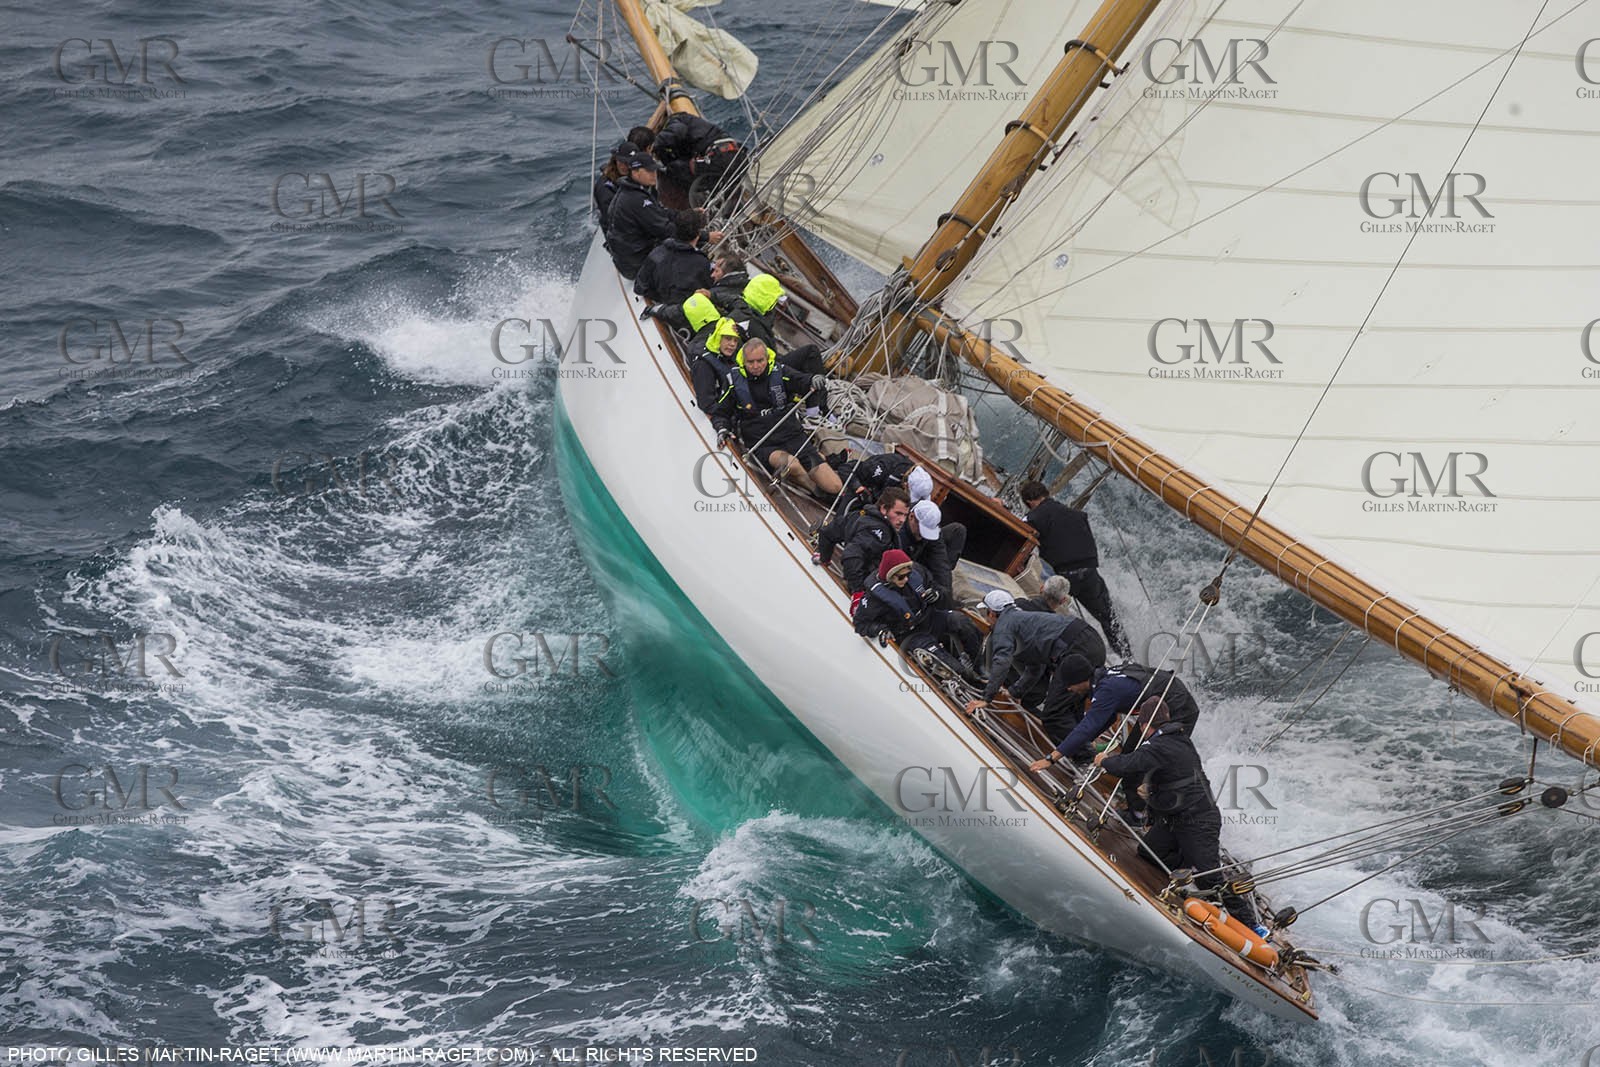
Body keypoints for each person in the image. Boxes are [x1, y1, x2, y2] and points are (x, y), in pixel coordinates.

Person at [1083, 698, 1261, 929]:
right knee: (1148, 852)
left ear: (1145, 725)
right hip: (1175, 819)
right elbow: (1170, 775)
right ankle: (1188, 868)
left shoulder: (1158, 746)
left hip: (1198, 821)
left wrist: (1104, 760)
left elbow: (1127, 765)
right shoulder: (1179, 739)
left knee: (1211, 878)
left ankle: (1252, 925)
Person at [710, 338, 842, 499]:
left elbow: (801, 380)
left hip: (793, 436)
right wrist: (722, 428)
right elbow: (721, 412)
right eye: (751, 362)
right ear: (744, 361)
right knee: (791, 464)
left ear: (767, 358)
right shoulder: (733, 381)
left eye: (760, 361)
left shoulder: (780, 372)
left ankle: (821, 475)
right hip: (764, 443)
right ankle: (816, 491)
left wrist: (812, 380)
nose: (756, 366)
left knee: (835, 486)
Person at [965, 592, 1105, 741]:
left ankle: (1082, 752)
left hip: (1077, 648)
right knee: (1072, 706)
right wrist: (1016, 692)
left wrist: (986, 698)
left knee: (1053, 714)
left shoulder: (1004, 625)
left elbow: (1002, 662)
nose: (987, 620)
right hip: (1091, 641)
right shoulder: (1024, 620)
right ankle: (1088, 742)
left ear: (992, 613)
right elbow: (1035, 667)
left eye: (985, 613)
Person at [1020, 480, 1131, 658]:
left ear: (1030, 502)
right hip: (1089, 575)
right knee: (1108, 618)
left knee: (1045, 611)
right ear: (1046, 494)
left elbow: (1019, 532)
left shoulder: (1033, 517)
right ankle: (1127, 657)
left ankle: (1053, 653)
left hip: (1064, 579)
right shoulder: (1076, 514)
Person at [1030, 660, 1200, 766]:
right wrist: (1083, 742)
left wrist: (1051, 759)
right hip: (1161, 701)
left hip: (1178, 706)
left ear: (1081, 681)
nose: (1068, 689)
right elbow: (1109, 717)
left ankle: (1140, 809)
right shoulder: (1105, 676)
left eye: (1069, 685)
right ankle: (1132, 795)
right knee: (1129, 754)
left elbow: (1086, 727)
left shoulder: (1106, 691)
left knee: (1145, 758)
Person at [854, 550, 983, 683]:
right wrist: (880, 629)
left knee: (960, 621)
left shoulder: (918, 572)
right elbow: (860, 623)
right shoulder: (873, 599)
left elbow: (937, 588)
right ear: (889, 576)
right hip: (909, 634)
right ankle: (970, 679)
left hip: (929, 618)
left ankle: (979, 666)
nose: (906, 579)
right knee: (948, 663)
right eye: (901, 577)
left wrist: (937, 594)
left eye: (908, 575)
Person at [605, 153, 675, 279]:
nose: (654, 174)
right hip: (637, 265)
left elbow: (658, 212)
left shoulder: (632, 190)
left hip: (630, 257)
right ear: (635, 172)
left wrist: (685, 215)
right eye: (649, 171)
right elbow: (665, 230)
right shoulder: (637, 199)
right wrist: (703, 236)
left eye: (654, 170)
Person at [837, 487, 912, 598]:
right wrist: (858, 592)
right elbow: (852, 555)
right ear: (884, 509)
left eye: (905, 515)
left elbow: (829, 531)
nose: (902, 520)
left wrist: (824, 557)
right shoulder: (879, 532)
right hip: (862, 589)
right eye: (898, 513)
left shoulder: (858, 516)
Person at [634, 209, 714, 303]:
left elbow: (639, 287)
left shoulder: (656, 253)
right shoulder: (702, 263)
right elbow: (709, 292)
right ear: (698, 234)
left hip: (665, 305)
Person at [692, 317, 744, 414]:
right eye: (728, 339)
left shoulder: (727, 358)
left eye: (735, 340)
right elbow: (707, 405)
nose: (732, 344)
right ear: (718, 338)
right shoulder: (703, 365)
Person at [907, 499, 954, 602]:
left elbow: (941, 564)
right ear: (911, 517)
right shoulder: (897, 525)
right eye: (921, 530)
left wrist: (942, 594)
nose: (923, 536)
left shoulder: (932, 531)